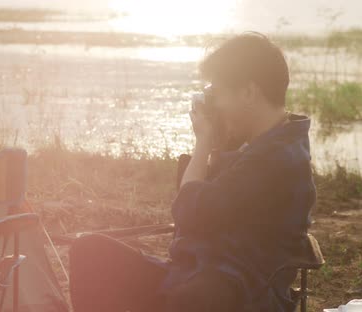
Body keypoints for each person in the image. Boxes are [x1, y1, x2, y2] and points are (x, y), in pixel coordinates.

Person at [69, 32, 316, 312]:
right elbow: (197, 209)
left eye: (219, 93)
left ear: (248, 93)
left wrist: (203, 143)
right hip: (200, 276)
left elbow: (189, 210)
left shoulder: (276, 158)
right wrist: (220, 146)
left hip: (242, 295)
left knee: (192, 297)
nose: (216, 106)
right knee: (89, 252)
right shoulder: (268, 144)